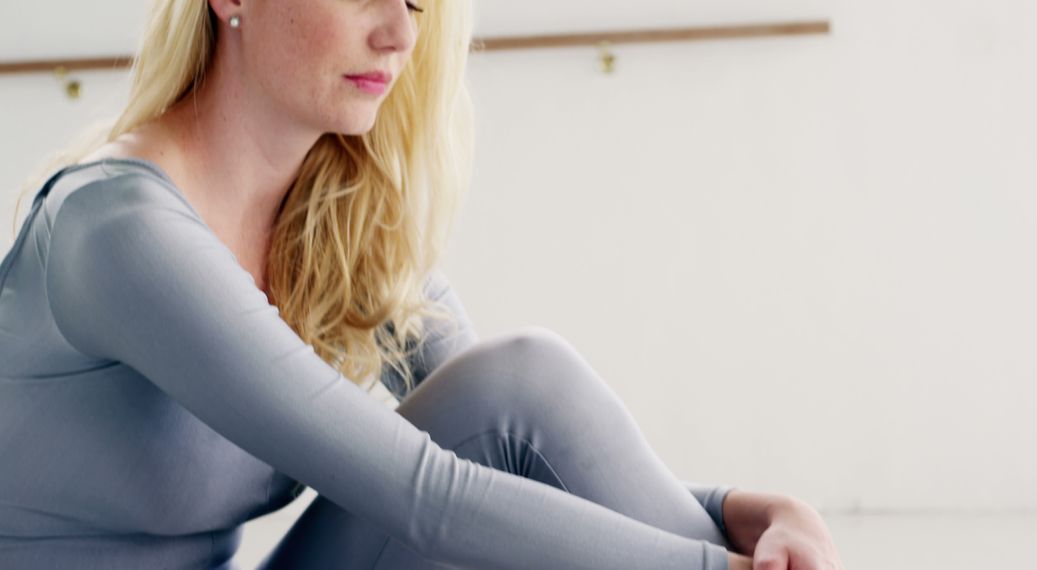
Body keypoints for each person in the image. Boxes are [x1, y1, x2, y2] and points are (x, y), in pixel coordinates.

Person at [0, 1, 843, 568]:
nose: (401, 35)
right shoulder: (119, 230)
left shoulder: (332, 221)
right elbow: (426, 494)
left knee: (520, 384)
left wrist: (748, 511)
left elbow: (521, 451)